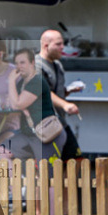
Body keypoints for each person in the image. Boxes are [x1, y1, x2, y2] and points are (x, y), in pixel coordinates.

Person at [7, 48, 66, 163]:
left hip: (47, 135)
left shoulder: (37, 81)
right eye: (16, 63)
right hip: (29, 135)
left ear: (32, 63)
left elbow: (17, 104)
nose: (19, 67)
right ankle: (13, 180)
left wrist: (10, 81)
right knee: (0, 152)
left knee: (47, 177)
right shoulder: (21, 84)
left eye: (22, 62)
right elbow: (13, 104)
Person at [35, 29, 82, 161]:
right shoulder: (36, 66)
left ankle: (64, 182)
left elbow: (54, 91)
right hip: (45, 123)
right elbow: (43, 92)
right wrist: (65, 104)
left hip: (60, 121)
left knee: (76, 158)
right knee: (50, 162)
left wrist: (68, 91)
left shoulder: (57, 65)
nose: (63, 47)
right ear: (46, 46)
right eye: (58, 44)